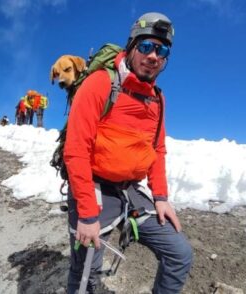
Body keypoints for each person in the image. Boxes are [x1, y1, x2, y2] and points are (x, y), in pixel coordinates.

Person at [64, 12, 192, 293]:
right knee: (86, 271)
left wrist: (160, 197)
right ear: (132, 46)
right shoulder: (100, 83)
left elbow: (157, 149)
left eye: (162, 50)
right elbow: (76, 150)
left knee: (179, 254)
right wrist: (86, 214)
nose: (154, 56)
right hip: (95, 186)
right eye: (147, 46)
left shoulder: (158, 99)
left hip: (130, 190)